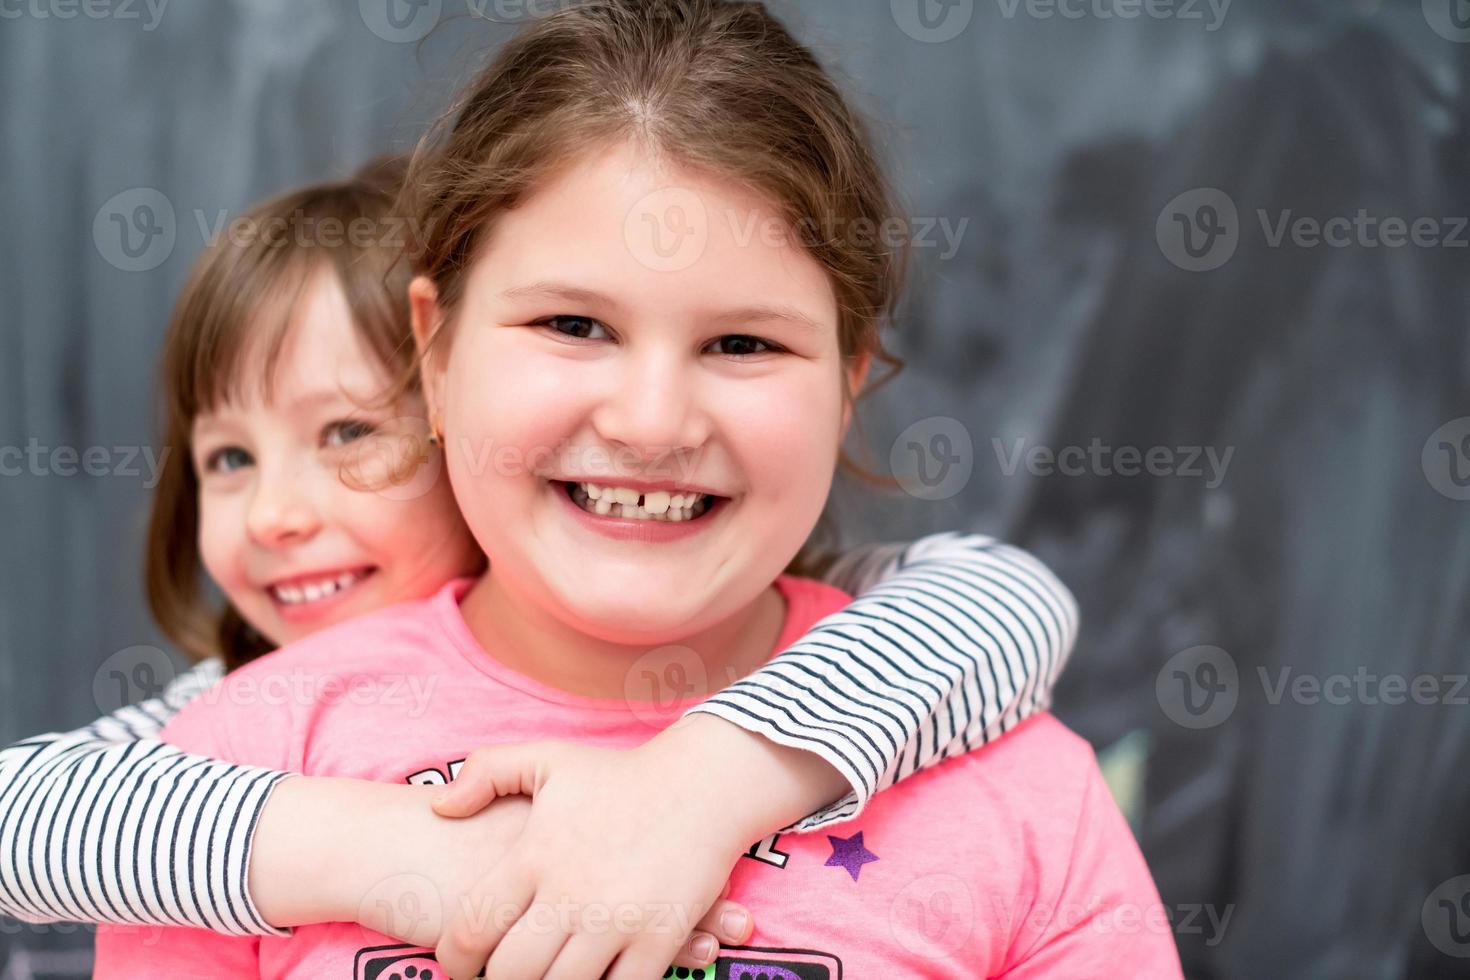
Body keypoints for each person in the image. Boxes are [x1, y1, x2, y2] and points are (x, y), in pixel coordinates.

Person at [91, 2, 1181, 975]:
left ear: (847, 383)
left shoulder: (1017, 784)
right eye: (573, 325)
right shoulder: (239, 760)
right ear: (435, 349)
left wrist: (711, 779)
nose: (652, 421)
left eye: (744, 342)